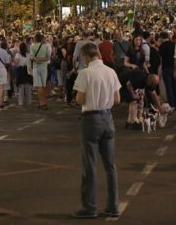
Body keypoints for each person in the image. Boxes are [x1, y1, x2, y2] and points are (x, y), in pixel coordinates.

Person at [71, 41, 121, 219]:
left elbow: (80, 99)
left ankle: (89, 207)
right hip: (108, 118)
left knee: (90, 166)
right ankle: (113, 205)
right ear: (98, 54)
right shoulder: (111, 72)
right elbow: (117, 99)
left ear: (85, 56)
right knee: (110, 166)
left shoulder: (85, 74)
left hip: (91, 120)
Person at [30, 32, 52, 110]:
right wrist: (42, 60)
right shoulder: (45, 47)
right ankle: (44, 102)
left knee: (39, 86)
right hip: (44, 67)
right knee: (43, 86)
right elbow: (48, 57)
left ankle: (42, 103)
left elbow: (32, 57)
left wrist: (37, 60)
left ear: (35, 39)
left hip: (36, 67)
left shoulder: (32, 47)